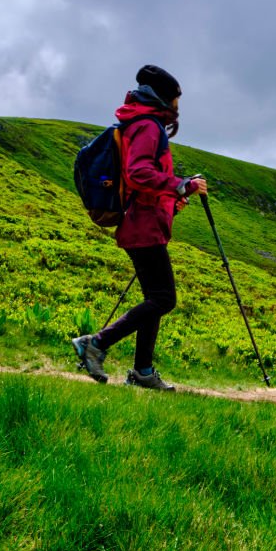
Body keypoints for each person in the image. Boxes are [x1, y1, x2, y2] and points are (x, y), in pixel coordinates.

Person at [72, 65, 207, 390]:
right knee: (163, 299)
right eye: (176, 99)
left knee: (154, 298)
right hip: (143, 227)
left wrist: (173, 198)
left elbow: (142, 181)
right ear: (164, 98)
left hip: (142, 223)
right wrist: (180, 186)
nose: (178, 107)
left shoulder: (138, 123)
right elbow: (138, 174)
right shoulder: (149, 127)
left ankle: (143, 372)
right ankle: (97, 344)